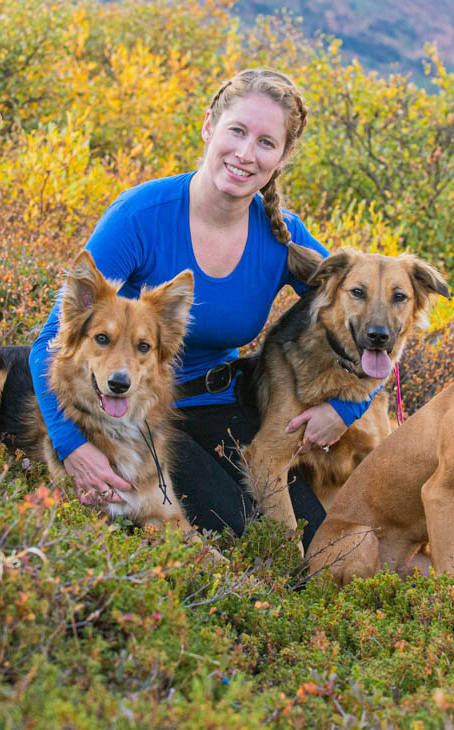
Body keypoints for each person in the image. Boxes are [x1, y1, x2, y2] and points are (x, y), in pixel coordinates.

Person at [27, 68, 377, 542]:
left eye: (265, 142)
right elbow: (49, 342)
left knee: (312, 540)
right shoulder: (141, 215)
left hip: (224, 404)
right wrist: (71, 447)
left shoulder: (282, 236)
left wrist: (346, 410)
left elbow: (367, 322)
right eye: (237, 131)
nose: (246, 154)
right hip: (137, 407)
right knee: (235, 531)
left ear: (284, 155)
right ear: (209, 125)